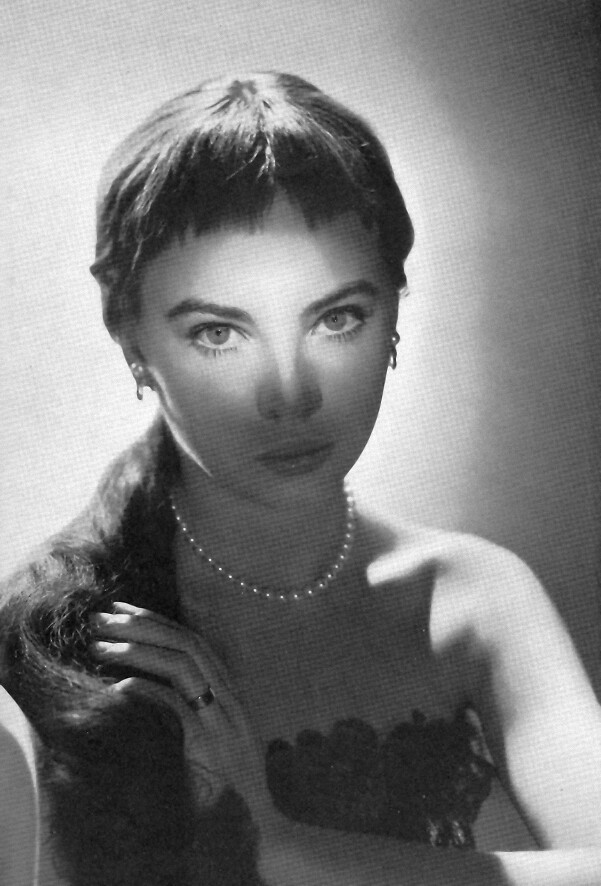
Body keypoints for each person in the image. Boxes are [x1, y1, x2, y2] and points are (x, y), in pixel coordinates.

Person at [1, 71, 600, 886]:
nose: (289, 392)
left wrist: (286, 851)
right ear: (133, 343)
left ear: (394, 315)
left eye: (335, 318)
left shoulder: (468, 595)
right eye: (218, 333)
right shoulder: (53, 640)